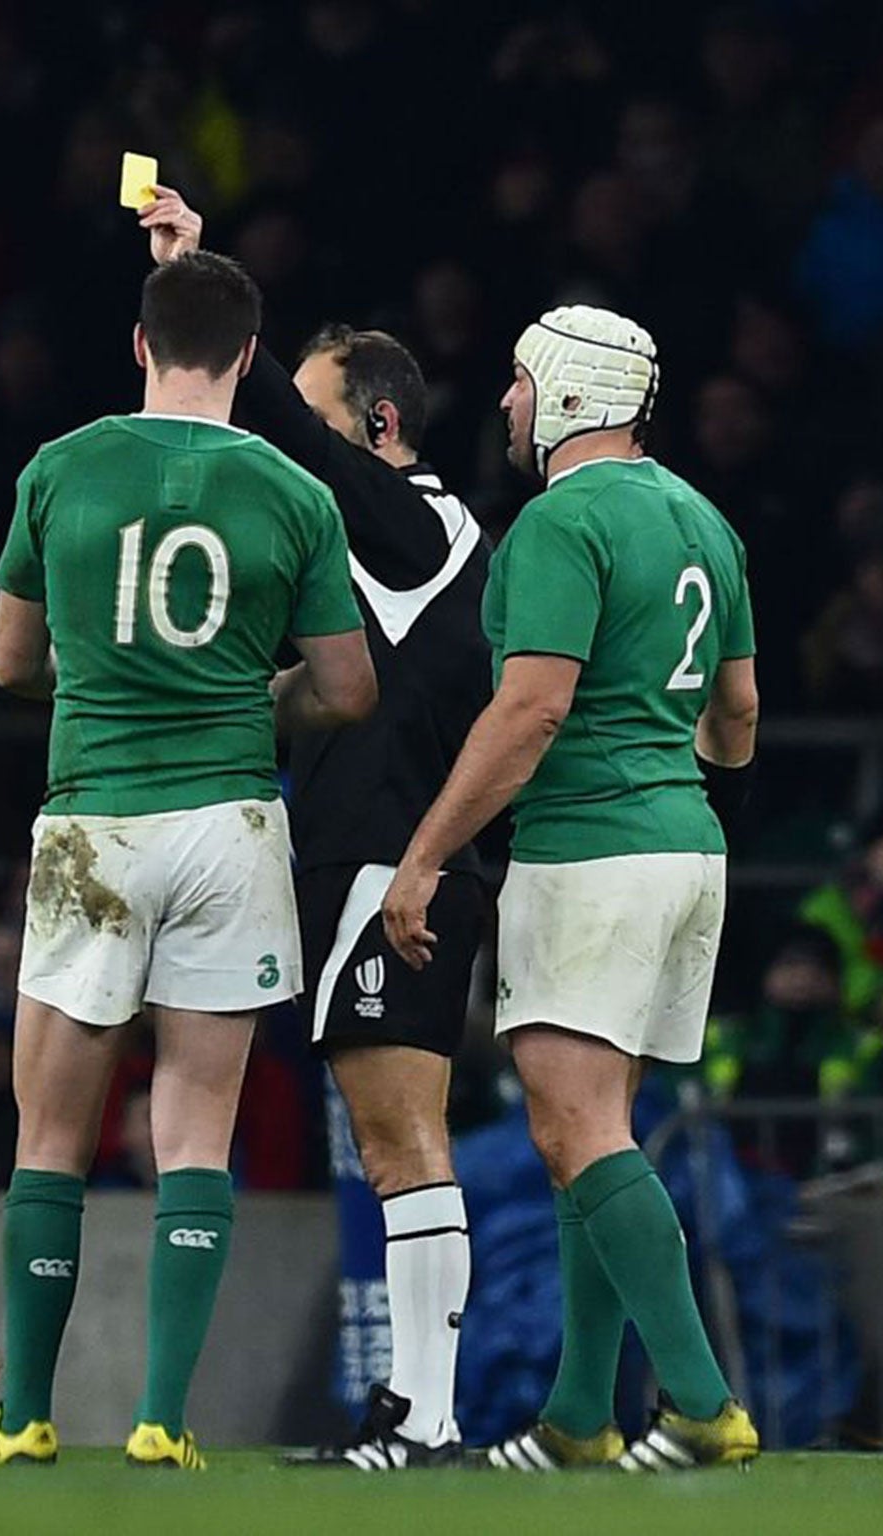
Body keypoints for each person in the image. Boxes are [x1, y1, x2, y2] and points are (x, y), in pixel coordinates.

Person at [0, 252, 376, 1471]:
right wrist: (248, 697)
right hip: (229, 821)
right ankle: (159, 1422)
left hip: (94, 818)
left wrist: (101, 675)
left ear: (138, 346)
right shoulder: (291, 490)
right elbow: (346, 687)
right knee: (193, 1131)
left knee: (50, 1133)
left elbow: (6, 665)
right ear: (249, 358)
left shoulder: (61, 468)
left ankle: (26, 1417)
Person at [143, 189, 491, 1469]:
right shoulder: (360, 552)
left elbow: (292, 440)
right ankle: (410, 1409)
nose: (285, 428)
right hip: (355, 860)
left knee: (403, 1136)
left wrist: (211, 300)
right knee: (387, 1134)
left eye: (314, 406)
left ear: (379, 425)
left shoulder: (421, 526)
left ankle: (429, 1415)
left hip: (399, 865)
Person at [382, 304, 762, 1473]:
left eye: (515, 381)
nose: (503, 401)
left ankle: (700, 1405)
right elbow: (736, 721)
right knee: (594, 1133)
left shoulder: (561, 518)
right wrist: (662, 761)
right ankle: (579, 1416)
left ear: (567, 395)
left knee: (572, 1125)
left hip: (589, 849)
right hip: (683, 841)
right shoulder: (702, 517)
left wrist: (424, 855)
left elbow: (531, 711)